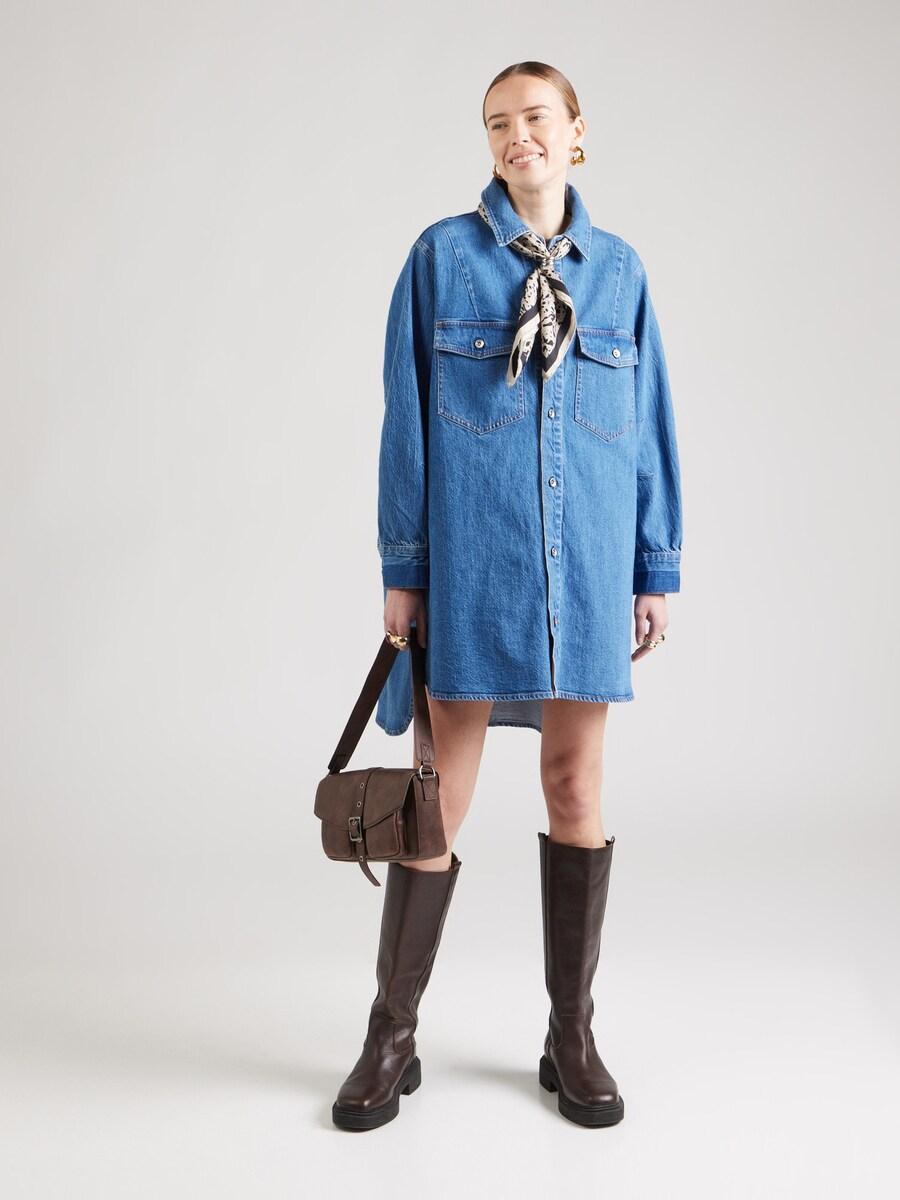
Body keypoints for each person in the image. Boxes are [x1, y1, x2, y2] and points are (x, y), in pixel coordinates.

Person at [332, 61, 683, 1132]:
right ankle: (391, 1037)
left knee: (575, 786)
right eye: (498, 123)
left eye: (536, 117)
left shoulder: (620, 273)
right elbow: (405, 422)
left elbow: (649, 429)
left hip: (586, 573)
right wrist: (404, 572)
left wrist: (654, 567)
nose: (517, 135)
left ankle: (571, 1035)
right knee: (438, 799)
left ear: (577, 132)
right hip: (474, 566)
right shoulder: (441, 259)